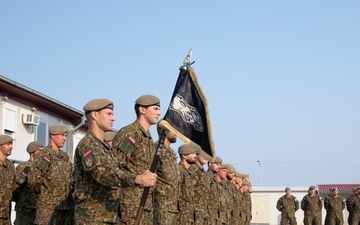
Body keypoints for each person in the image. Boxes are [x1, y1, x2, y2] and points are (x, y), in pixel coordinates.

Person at [73, 98, 157, 224]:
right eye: (109, 114)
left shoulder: (103, 146)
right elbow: (103, 174)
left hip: (109, 215)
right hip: (92, 218)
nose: (113, 118)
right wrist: (137, 179)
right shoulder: (88, 145)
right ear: (95, 115)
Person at [112, 94, 160, 225]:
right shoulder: (130, 133)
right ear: (142, 110)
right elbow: (115, 168)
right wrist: (138, 179)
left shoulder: (148, 138)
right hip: (130, 205)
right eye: (155, 109)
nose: (159, 113)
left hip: (145, 204)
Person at [28, 124, 74, 225]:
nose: (64, 138)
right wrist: (44, 196)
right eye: (62, 135)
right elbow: (34, 180)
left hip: (65, 207)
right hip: (48, 208)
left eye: (65, 135)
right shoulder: (44, 155)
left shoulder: (64, 156)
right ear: (52, 135)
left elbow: (71, 177)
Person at [153, 120, 181, 225]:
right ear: (164, 130)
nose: (176, 133)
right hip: (161, 206)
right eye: (174, 130)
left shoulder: (171, 153)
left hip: (172, 207)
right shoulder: (156, 150)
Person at [12, 141, 43, 225]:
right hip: (25, 208)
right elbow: (17, 185)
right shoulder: (23, 167)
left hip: (39, 207)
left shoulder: (42, 166)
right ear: (33, 152)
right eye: (39, 151)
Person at [177, 144, 198, 225]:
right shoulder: (179, 170)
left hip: (189, 215)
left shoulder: (190, 173)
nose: (195, 156)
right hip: (181, 216)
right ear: (184, 156)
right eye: (192, 153)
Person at [190, 148, 209, 225]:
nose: (205, 157)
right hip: (195, 210)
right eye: (203, 155)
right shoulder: (193, 169)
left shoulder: (203, 172)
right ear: (196, 155)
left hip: (203, 210)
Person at [0, 135, 15, 225]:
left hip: (6, 214)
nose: (11, 147)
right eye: (8, 144)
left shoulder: (10, 165)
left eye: (11, 144)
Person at [206, 156, 223, 225]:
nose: (219, 166)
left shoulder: (214, 179)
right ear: (210, 164)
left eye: (220, 164)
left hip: (214, 216)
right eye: (216, 164)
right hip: (208, 216)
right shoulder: (207, 177)